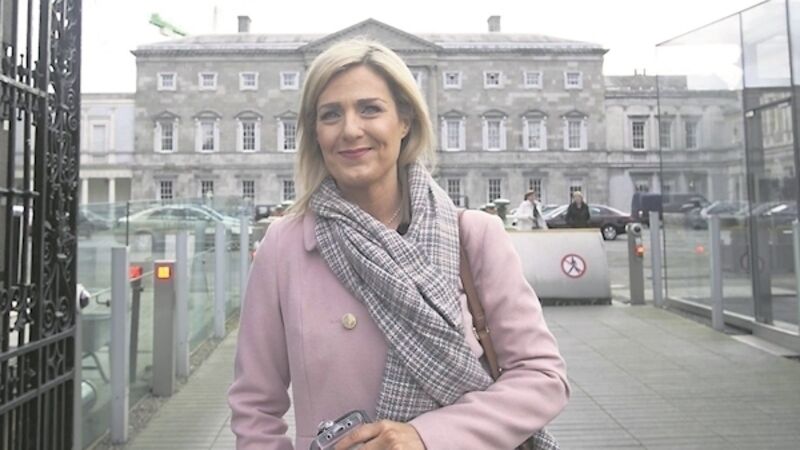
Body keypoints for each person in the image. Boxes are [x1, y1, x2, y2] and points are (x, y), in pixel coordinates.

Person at [228, 39, 569, 450]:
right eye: (331, 114)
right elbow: (254, 406)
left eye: (370, 109)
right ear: (315, 133)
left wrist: (426, 437)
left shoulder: (475, 236)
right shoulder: (284, 247)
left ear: (404, 121)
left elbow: (542, 378)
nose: (350, 129)